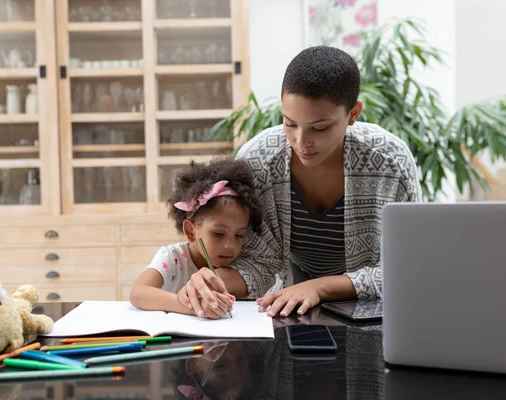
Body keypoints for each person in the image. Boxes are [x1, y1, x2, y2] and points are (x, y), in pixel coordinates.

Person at [177, 46, 422, 318]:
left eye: (320, 128)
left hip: (372, 315)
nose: (301, 142)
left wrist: (320, 287)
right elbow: (257, 263)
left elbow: (408, 270)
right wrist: (210, 282)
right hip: (293, 311)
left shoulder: (392, 163)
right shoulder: (259, 160)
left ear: (353, 113)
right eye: (290, 123)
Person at [129, 158, 262, 319]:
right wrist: (194, 308)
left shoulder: (239, 265)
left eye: (239, 235)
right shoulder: (172, 257)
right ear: (190, 231)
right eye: (218, 234)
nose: (230, 245)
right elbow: (138, 293)